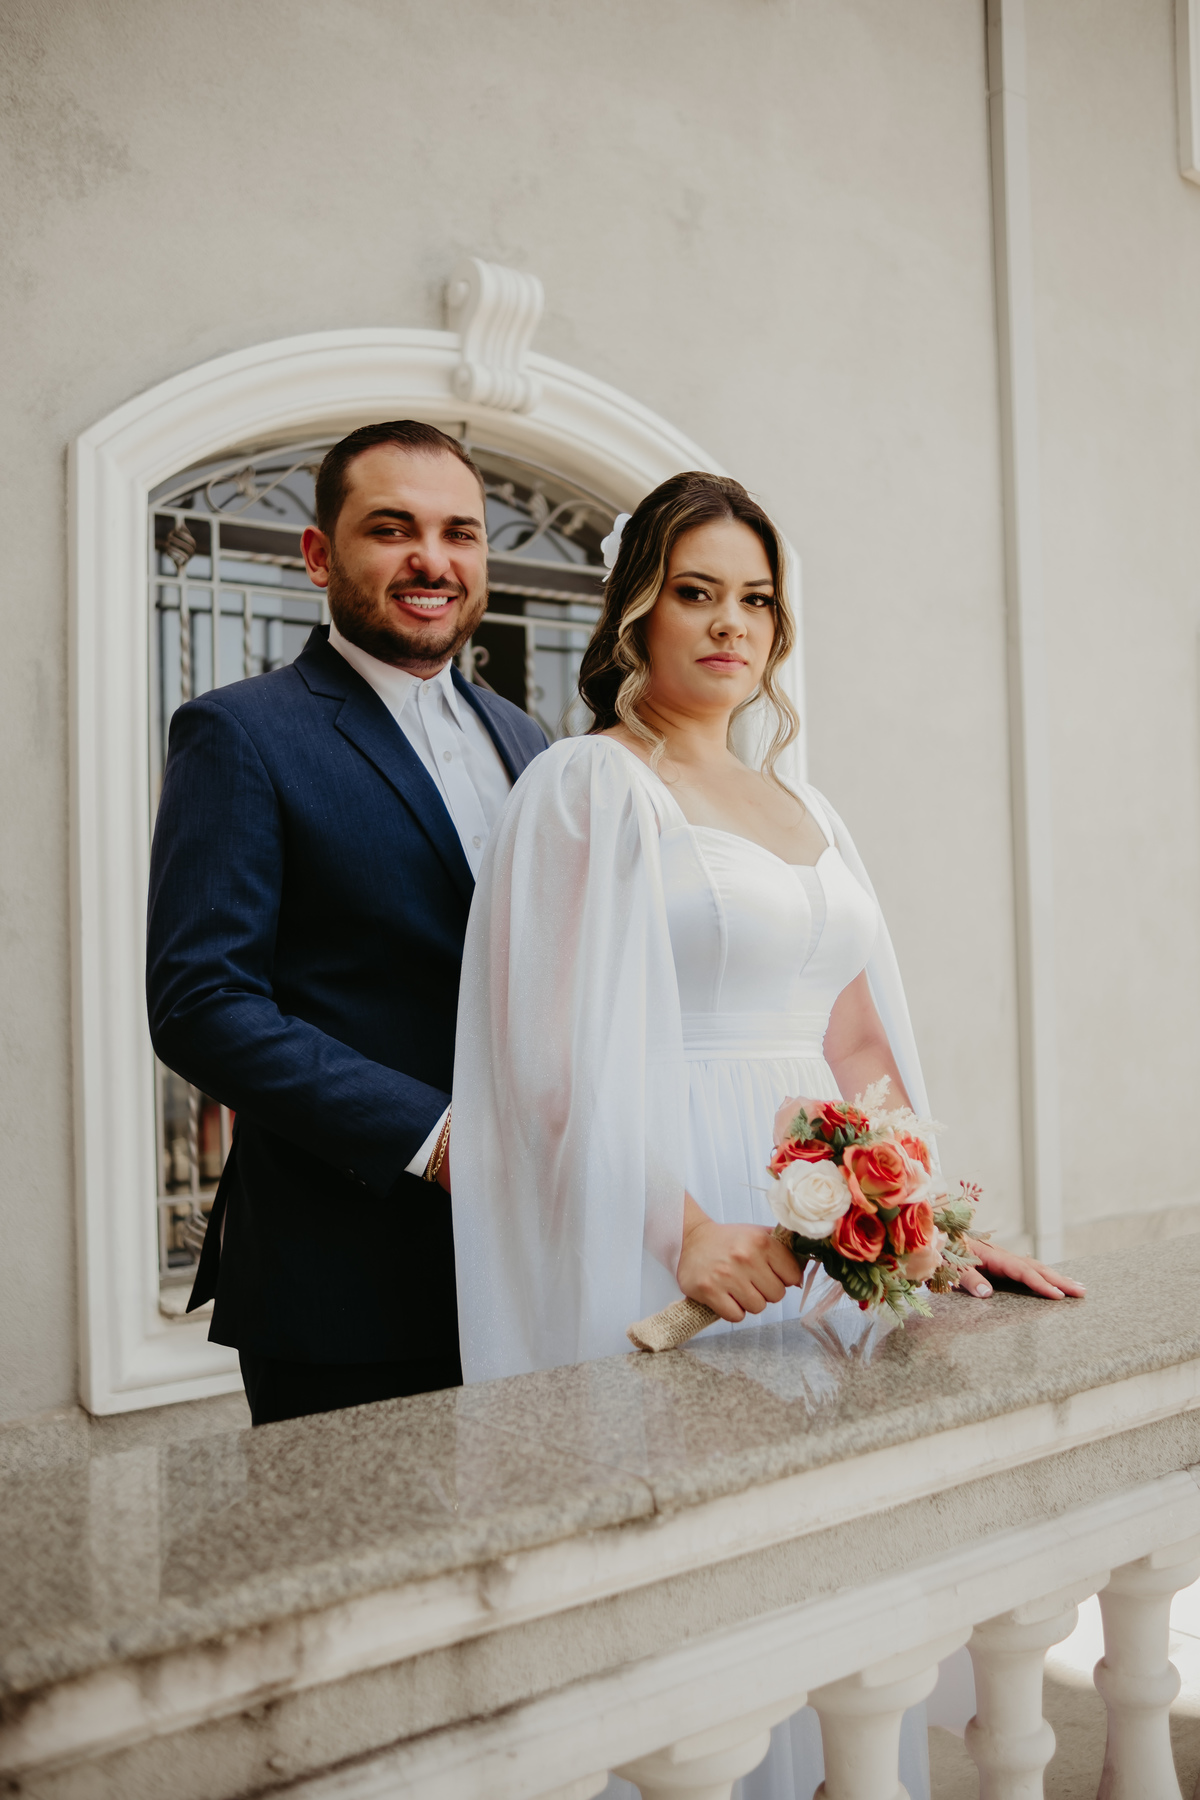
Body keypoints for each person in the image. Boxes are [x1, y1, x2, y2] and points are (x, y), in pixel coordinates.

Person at [449, 471, 1084, 1798]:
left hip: (818, 1230)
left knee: (826, 1574)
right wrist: (680, 1231)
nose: (730, 623)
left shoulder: (812, 809)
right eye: (696, 593)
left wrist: (931, 1225)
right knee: (692, 1587)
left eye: (755, 599)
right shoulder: (587, 785)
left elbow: (857, 1048)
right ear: (638, 611)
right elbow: (540, 1059)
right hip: (666, 1213)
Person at [146, 421, 546, 1426]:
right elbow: (204, 1004)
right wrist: (439, 1141)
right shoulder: (240, 732)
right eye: (392, 529)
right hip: (345, 1283)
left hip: (535, 1267)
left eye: (460, 533)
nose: (433, 560)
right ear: (319, 555)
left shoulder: (527, 739)